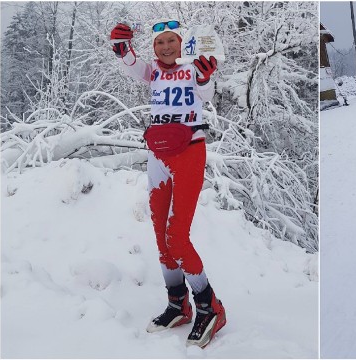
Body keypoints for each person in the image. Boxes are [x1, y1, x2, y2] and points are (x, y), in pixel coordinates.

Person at [110, 19, 226, 348]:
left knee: (177, 236)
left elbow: (206, 91)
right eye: (159, 43)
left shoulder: (191, 69)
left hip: (188, 151)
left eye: (170, 41)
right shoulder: (154, 71)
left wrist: (204, 75)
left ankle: (209, 307)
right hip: (158, 154)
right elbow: (134, 68)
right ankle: (178, 303)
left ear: (181, 42)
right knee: (161, 234)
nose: (165, 47)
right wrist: (122, 49)